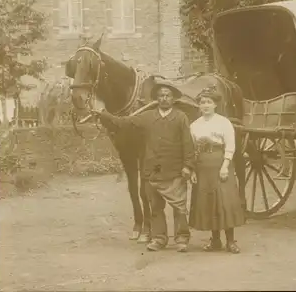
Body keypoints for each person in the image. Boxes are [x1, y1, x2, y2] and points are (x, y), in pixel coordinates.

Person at [91, 80, 195, 252]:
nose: (164, 99)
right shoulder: (147, 117)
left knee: (179, 207)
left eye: (167, 96)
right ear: (156, 99)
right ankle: (159, 238)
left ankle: (182, 238)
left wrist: (188, 166)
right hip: (152, 170)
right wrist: (103, 114)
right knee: (155, 208)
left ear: (173, 99)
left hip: (174, 169)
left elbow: (188, 143)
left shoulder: (180, 118)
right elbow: (123, 123)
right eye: (160, 96)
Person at [189, 85, 245, 254]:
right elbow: (191, 149)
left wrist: (225, 166)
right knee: (209, 203)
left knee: (224, 201)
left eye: (209, 102)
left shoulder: (224, 122)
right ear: (199, 105)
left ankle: (230, 241)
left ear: (215, 105)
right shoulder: (194, 125)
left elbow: (230, 145)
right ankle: (215, 241)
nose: (205, 105)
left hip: (220, 163)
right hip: (202, 166)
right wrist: (192, 171)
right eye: (202, 102)